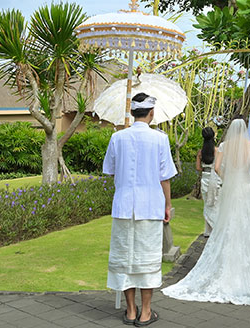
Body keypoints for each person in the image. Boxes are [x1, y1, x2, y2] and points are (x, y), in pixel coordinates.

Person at [162, 118, 250, 305]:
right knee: (248, 225)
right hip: (247, 188)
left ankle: (229, 264)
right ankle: (246, 265)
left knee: (229, 223)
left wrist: (229, 178)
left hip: (231, 189)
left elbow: (217, 168)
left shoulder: (224, 145)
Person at [103, 92, 176, 327]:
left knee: (125, 257)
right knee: (148, 258)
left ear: (133, 112)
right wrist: (168, 205)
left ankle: (131, 310)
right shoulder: (160, 139)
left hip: (124, 205)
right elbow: (165, 178)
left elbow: (111, 169)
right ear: (152, 113)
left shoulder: (118, 138)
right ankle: (146, 312)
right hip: (150, 205)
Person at [195, 126, 221, 236]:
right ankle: (217, 227)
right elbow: (218, 167)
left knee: (207, 203)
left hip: (205, 177)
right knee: (216, 203)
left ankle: (208, 230)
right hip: (215, 177)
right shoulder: (217, 150)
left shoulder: (201, 152)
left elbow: (198, 168)